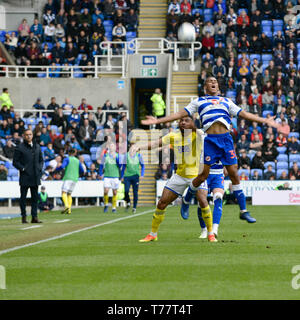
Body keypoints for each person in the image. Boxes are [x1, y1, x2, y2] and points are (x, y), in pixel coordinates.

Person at [141, 76, 279, 223]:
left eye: (215, 81)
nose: (213, 82)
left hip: (226, 140)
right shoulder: (198, 101)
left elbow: (244, 114)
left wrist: (264, 120)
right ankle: (187, 199)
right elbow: (179, 114)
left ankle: (243, 210)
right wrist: (158, 121)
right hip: (210, 141)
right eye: (210, 81)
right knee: (202, 176)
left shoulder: (226, 101)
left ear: (218, 87)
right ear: (205, 87)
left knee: (234, 174)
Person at [134, 115, 217, 243]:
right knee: (162, 203)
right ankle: (153, 234)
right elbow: (156, 144)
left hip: (196, 175)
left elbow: (208, 134)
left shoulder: (198, 135)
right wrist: (139, 147)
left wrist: (200, 131)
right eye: (181, 121)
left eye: (186, 121)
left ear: (192, 123)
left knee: (202, 200)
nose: (183, 123)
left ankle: (211, 234)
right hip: (180, 176)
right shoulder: (174, 136)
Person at [13, 129, 44, 224]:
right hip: (25, 177)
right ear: (23, 136)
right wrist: (23, 169)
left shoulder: (37, 146)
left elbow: (41, 160)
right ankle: (24, 217)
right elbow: (15, 162)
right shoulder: (19, 147)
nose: (29, 136)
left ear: (32, 135)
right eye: (27, 135)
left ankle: (34, 217)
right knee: (23, 198)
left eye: (30, 134)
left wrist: (39, 168)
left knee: (35, 199)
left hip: (35, 176)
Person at [197, 162, 224, 239]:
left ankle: (215, 229)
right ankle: (204, 229)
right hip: (204, 173)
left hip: (218, 174)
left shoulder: (223, 149)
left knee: (218, 197)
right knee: (201, 202)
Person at [56, 148, 85, 215]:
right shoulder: (77, 161)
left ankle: (66, 206)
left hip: (68, 178)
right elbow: (82, 170)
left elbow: (62, 166)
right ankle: (69, 210)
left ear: (68, 153)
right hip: (75, 179)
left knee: (63, 192)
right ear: (74, 153)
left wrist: (56, 169)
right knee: (69, 194)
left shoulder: (67, 159)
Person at [99, 142, 124, 213]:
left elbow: (120, 166)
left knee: (115, 192)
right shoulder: (105, 155)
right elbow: (101, 165)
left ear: (115, 148)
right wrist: (100, 174)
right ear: (109, 148)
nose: (112, 147)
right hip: (107, 176)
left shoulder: (117, 156)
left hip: (115, 176)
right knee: (106, 191)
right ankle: (106, 205)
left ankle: (114, 207)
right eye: (111, 146)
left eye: (113, 146)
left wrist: (116, 159)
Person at [122, 145, 145, 214]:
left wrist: (142, 175)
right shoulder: (126, 156)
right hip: (127, 176)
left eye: (134, 148)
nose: (132, 149)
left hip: (135, 176)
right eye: (131, 147)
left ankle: (134, 207)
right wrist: (122, 176)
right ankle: (128, 202)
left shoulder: (139, 156)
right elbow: (123, 167)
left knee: (135, 192)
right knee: (126, 191)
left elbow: (143, 165)